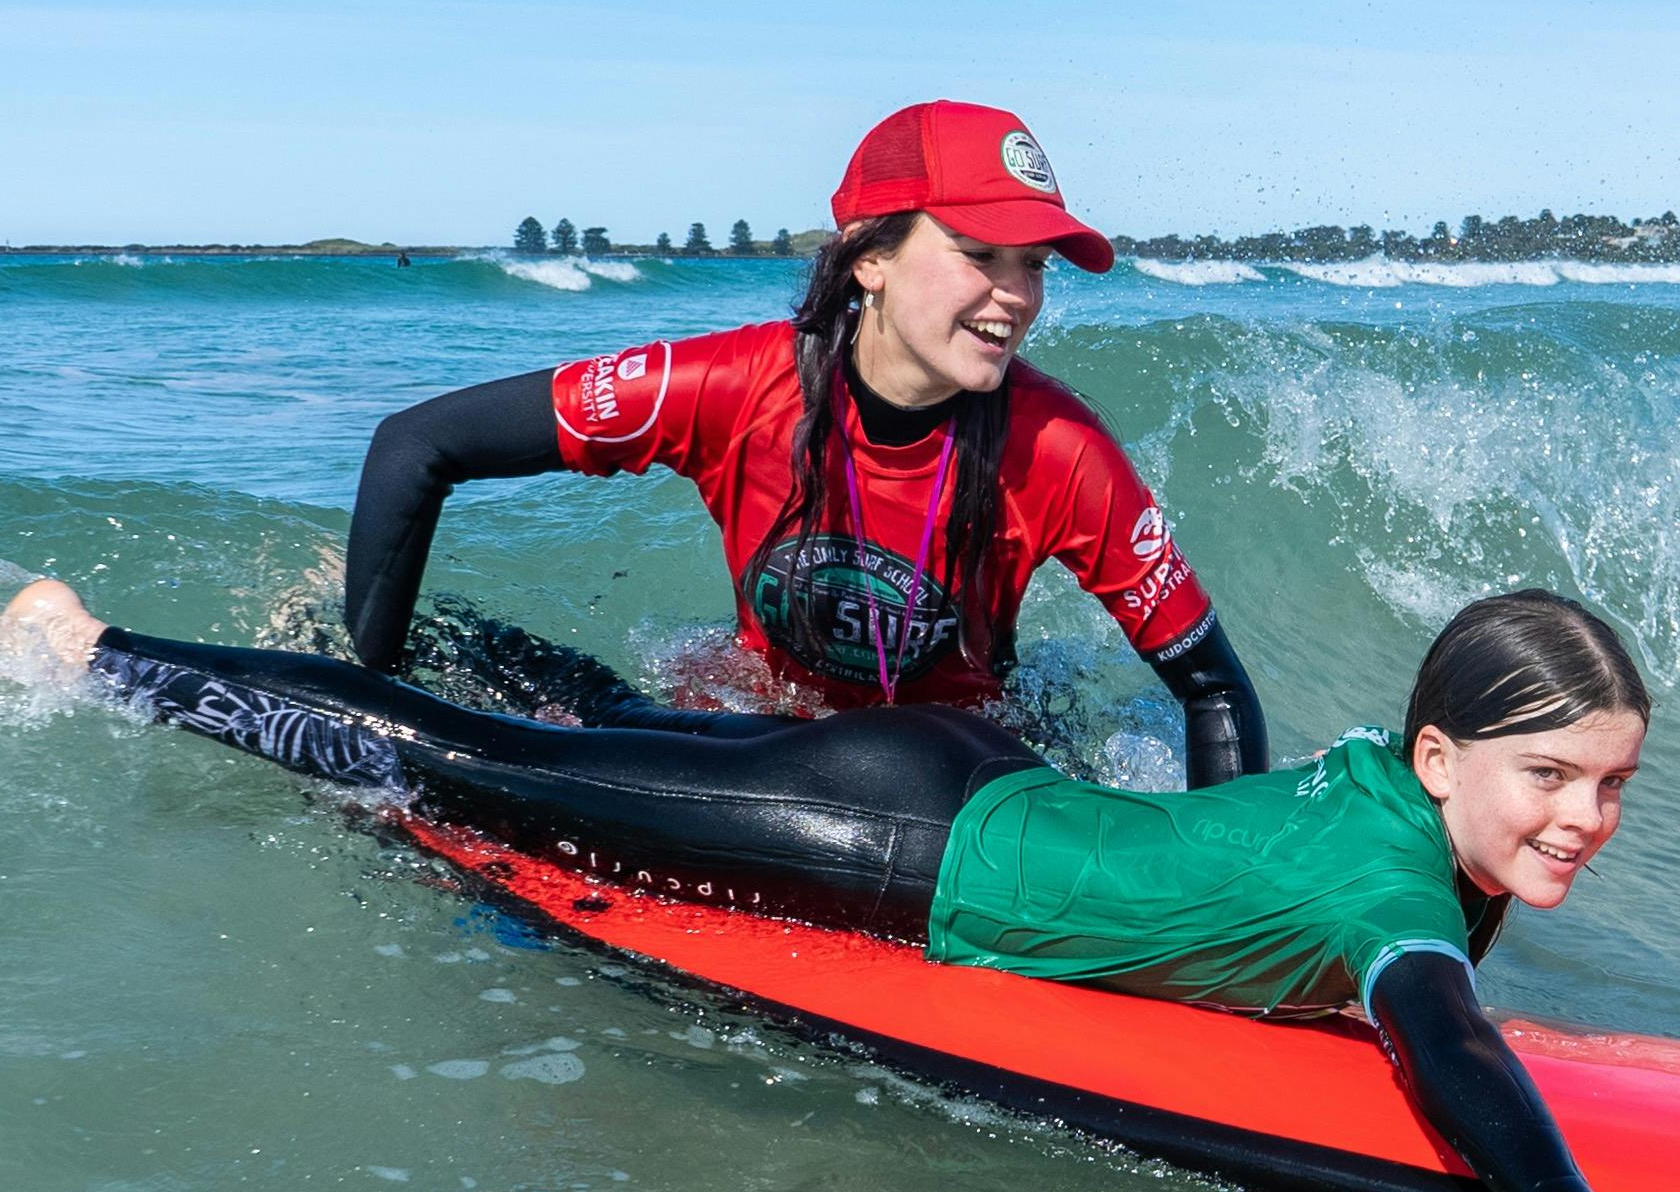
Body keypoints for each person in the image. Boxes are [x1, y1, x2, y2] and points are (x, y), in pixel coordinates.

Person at [0, 578, 1680, 1192]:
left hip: (959, 772)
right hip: (899, 838)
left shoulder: (1391, 808)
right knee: (475, 776)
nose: (1586, 819)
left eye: (1615, 785)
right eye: (1553, 773)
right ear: (1436, 754)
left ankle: (419, 619)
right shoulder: (1401, 886)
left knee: (594, 744)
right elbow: (1449, 1043)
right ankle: (91, 653)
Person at [346, 100, 1268, 785]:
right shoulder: (734, 389)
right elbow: (414, 446)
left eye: (1032, 265)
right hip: (765, 742)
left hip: (964, 777)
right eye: (979, 255)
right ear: (871, 255)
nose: (1017, 294)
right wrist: (364, 692)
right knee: (551, 699)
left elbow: (1214, 693)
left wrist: (1223, 902)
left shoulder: (1059, 449)